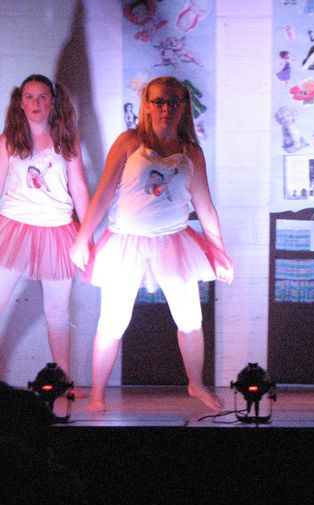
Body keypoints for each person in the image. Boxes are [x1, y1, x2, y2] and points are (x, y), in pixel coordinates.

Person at [70, 76, 233, 412]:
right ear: (146, 105)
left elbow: (205, 207)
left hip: (173, 242)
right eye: (158, 101)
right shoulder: (129, 142)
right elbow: (104, 193)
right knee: (113, 321)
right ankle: (98, 393)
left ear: (183, 107)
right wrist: (83, 238)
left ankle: (196, 384)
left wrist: (220, 252)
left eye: (173, 102)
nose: (165, 108)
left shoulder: (191, 152)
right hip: (125, 242)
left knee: (190, 319)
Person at [0, 74, 89, 385]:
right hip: (14, 228)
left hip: (57, 230)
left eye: (42, 97)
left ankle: (62, 382)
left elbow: (79, 188)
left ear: (52, 102)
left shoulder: (66, 140)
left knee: (58, 312)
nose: (36, 103)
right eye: (29, 97)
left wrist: (87, 235)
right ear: (21, 103)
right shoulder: (8, 141)